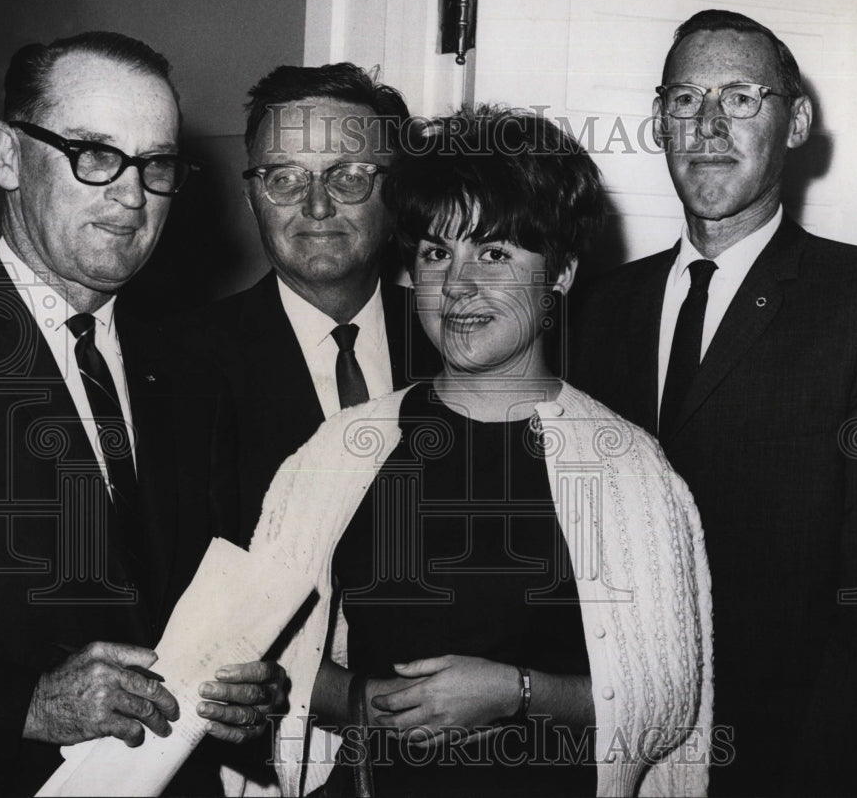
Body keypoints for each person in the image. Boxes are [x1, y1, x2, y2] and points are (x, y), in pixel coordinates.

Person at [240, 106, 714, 798]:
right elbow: (261, 660)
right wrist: (368, 701)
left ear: (562, 272)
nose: (457, 284)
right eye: (436, 252)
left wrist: (518, 692)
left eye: (494, 253)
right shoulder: (341, 450)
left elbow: (667, 700)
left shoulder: (626, 468)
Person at [571, 10, 857, 796]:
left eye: (742, 96)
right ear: (659, 123)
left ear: (798, 122)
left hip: (789, 760)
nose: (709, 124)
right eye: (685, 100)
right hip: (611, 756)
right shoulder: (597, 307)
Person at [0, 31, 287, 795]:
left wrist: (251, 694)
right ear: (6, 155)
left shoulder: (191, 368)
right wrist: (22, 707)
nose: (131, 195)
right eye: (93, 152)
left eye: (155, 164)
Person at [178, 64, 439, 546]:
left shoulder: (453, 341)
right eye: (285, 178)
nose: (317, 206)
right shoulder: (183, 362)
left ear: (397, 195)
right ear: (253, 198)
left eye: (350, 176)